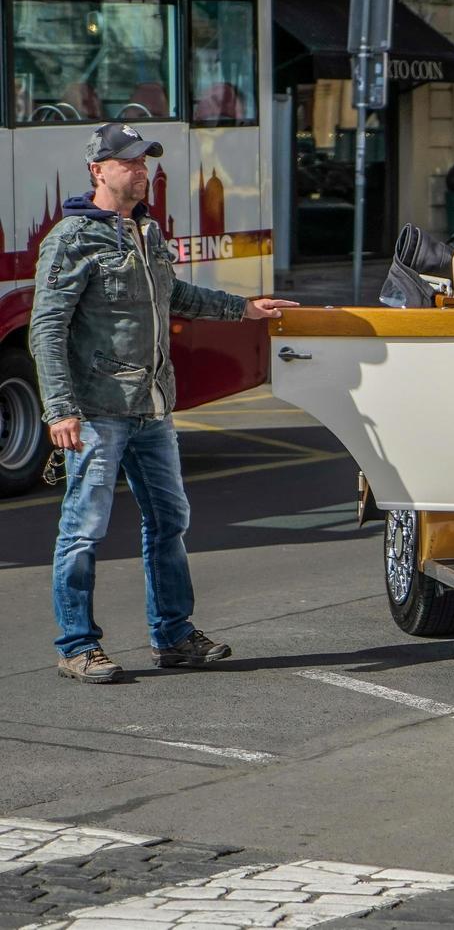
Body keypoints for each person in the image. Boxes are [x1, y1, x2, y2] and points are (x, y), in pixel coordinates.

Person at [29, 123, 299, 684]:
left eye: (145, 161)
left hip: (152, 408)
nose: (141, 170)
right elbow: (47, 328)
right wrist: (60, 409)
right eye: (129, 162)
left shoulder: (148, 232)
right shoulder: (73, 237)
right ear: (98, 170)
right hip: (99, 410)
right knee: (83, 529)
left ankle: (173, 636)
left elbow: (174, 295)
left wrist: (243, 309)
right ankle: (77, 645)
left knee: (170, 520)